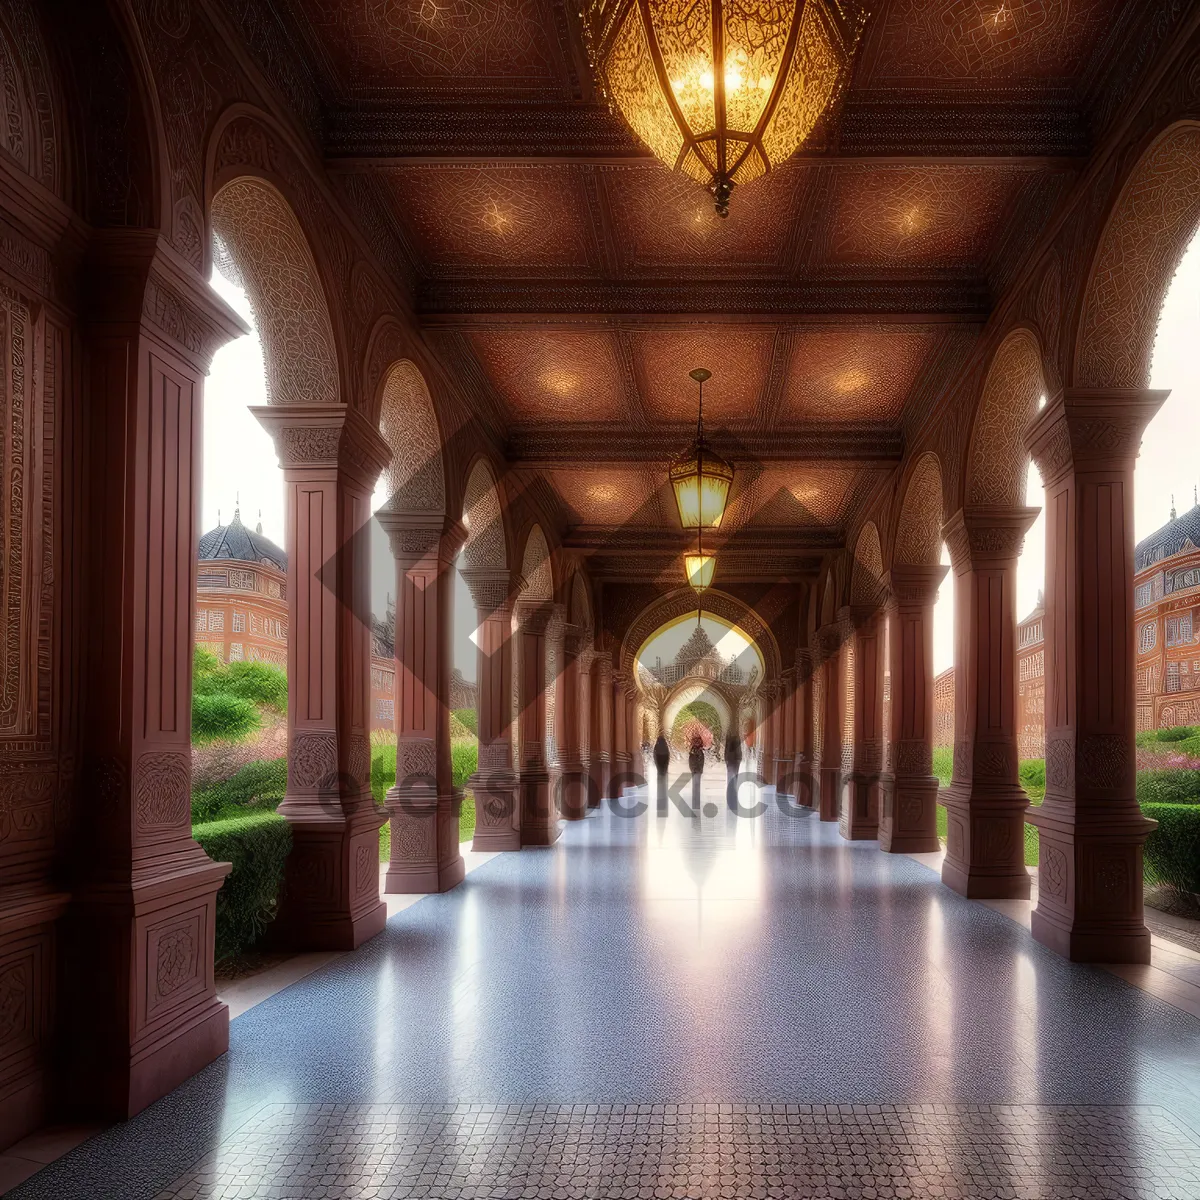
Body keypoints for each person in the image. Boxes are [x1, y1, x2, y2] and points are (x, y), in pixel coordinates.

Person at [724, 731, 742, 813]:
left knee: (733, 780)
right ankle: (732, 801)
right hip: (733, 761)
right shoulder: (732, 735)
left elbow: (727, 749)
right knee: (733, 780)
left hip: (733, 760)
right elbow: (728, 749)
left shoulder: (734, 735)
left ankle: (732, 801)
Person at [653, 733, 670, 815]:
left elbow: (655, 758)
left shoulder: (656, 747)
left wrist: (658, 768)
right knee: (664, 787)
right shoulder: (665, 748)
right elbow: (667, 758)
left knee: (660, 787)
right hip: (664, 770)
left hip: (659, 771)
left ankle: (660, 805)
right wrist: (665, 768)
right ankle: (664, 805)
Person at [688, 733, 705, 815]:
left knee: (696, 787)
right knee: (696, 787)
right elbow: (693, 762)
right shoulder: (695, 751)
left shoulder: (695, 751)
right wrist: (695, 769)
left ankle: (696, 804)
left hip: (696, 771)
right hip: (696, 771)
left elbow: (692, 762)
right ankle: (695, 804)